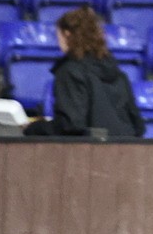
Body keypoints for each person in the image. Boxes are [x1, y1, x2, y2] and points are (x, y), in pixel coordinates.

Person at [24, 7, 146, 138]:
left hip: (89, 153)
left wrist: (34, 128)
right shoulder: (118, 74)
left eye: (57, 35)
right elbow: (138, 126)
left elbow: (70, 125)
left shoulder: (70, 71)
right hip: (125, 151)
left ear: (67, 34)